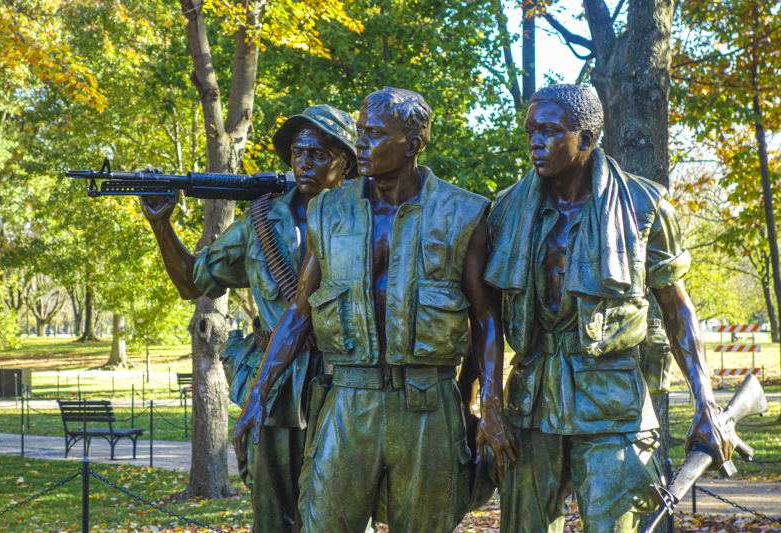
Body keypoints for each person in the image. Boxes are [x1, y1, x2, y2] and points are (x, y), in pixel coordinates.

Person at [233, 87, 518, 533]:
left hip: (428, 404)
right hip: (350, 399)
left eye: (375, 134)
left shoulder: (462, 213)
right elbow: (299, 311)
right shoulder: (328, 211)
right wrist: (259, 391)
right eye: (362, 131)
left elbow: (485, 317)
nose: (361, 143)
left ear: (413, 144)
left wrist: (492, 408)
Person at [484, 84, 734, 533]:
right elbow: (483, 315)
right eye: (530, 132)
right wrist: (490, 405)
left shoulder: (645, 206)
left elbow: (678, 310)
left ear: (588, 138)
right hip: (532, 403)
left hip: (613, 407)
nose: (535, 142)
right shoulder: (506, 209)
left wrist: (706, 402)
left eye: (549, 131)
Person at [140, 104, 357, 533]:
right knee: (273, 514)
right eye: (298, 153)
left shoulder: (367, 217)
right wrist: (161, 225)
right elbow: (193, 282)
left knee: (342, 510)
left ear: (346, 162)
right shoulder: (261, 220)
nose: (304, 163)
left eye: (318, 154)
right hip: (275, 387)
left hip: (345, 383)